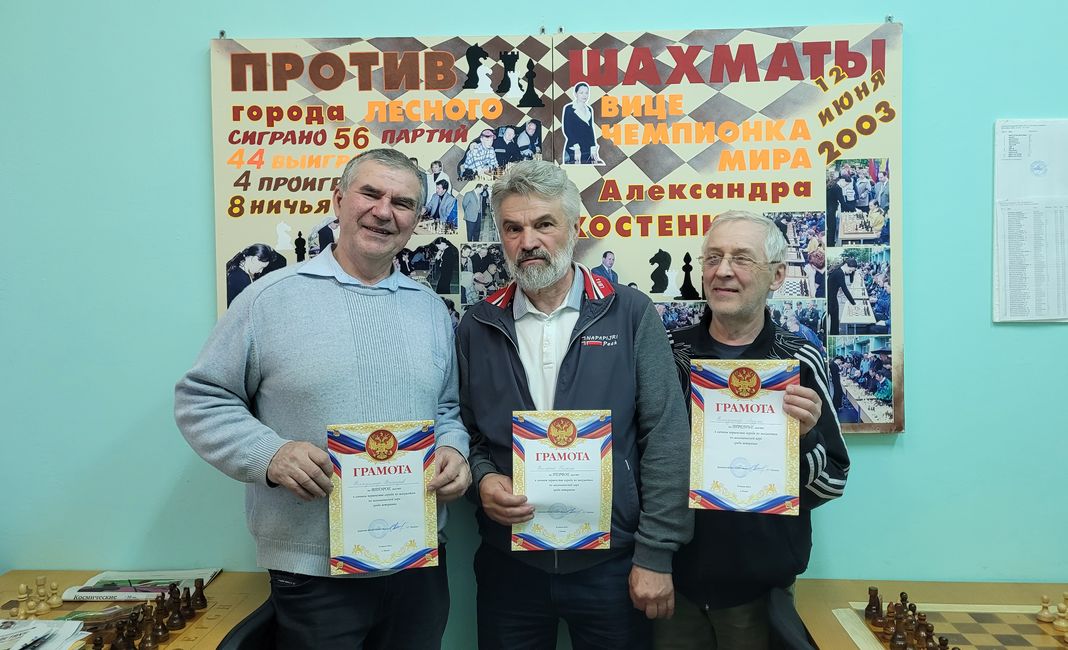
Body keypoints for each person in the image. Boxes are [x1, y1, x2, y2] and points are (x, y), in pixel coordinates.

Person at [175, 149, 471, 650]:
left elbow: (446, 409)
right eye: (370, 193)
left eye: (402, 203)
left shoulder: (430, 310)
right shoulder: (270, 299)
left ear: (416, 219)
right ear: (338, 199)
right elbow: (201, 398)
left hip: (417, 564)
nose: (384, 211)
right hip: (313, 574)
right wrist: (270, 454)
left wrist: (454, 451)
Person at [457, 160, 692, 649]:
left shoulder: (629, 312)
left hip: (614, 564)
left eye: (544, 224)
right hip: (509, 566)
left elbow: (666, 435)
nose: (528, 241)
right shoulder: (477, 325)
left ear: (575, 228)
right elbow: (467, 431)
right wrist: (481, 479)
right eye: (513, 228)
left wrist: (656, 553)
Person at [656, 210, 849, 650]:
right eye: (713, 258)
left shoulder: (800, 359)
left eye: (741, 258)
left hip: (759, 592)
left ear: (777, 275)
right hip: (672, 585)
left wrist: (806, 441)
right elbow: (642, 462)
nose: (722, 271)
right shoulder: (669, 353)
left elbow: (833, 481)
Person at [562, 82, 603, 164]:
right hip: (574, 147)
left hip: (587, 148)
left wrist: (593, 146)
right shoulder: (569, 108)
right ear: (575, 94)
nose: (584, 95)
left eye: (586, 93)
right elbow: (567, 129)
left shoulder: (589, 109)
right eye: (581, 93)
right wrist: (576, 146)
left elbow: (590, 130)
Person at [827, 257, 858, 335]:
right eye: (850, 270)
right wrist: (853, 303)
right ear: (846, 265)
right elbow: (845, 289)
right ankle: (834, 334)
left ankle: (834, 332)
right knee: (834, 321)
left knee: (835, 321)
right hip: (831, 299)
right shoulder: (840, 273)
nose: (850, 272)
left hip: (831, 297)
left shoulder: (838, 270)